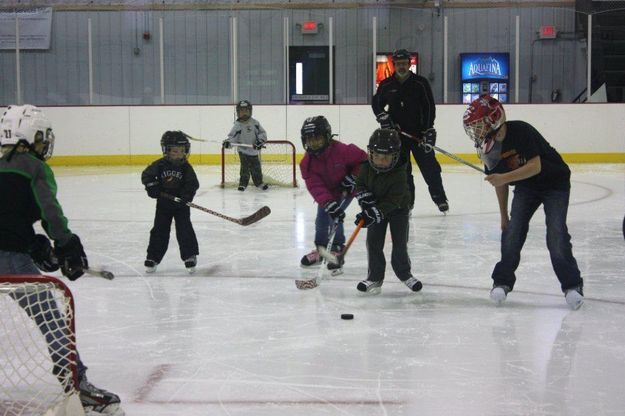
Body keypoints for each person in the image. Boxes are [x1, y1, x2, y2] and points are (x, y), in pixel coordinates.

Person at [0, 104, 124, 415]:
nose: (44, 144)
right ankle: (77, 384)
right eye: (41, 138)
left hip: (13, 250)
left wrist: (30, 242)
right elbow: (50, 212)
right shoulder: (32, 166)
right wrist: (65, 243)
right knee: (51, 319)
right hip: (10, 260)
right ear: (28, 137)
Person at [463, 96, 584, 310]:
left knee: (556, 234)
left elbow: (535, 166)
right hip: (526, 187)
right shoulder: (489, 148)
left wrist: (503, 178)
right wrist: (503, 215)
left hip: (555, 183)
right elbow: (498, 182)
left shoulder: (521, 131)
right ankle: (502, 282)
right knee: (512, 232)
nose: (477, 131)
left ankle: (572, 285)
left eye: (480, 125)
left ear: (494, 120)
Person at [372, 48, 449, 213]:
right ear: (394, 65)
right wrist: (383, 118)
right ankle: (408, 202)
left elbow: (429, 107)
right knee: (404, 172)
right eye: (398, 64)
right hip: (397, 137)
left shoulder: (420, 83)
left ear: (409, 64)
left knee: (431, 169)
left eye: (404, 63)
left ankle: (440, 199)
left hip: (419, 135)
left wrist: (428, 129)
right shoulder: (386, 85)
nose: (401, 66)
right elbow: (376, 103)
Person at [353, 128, 423, 294]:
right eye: (377, 156)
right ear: (370, 153)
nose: (380, 161)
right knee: (373, 242)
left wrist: (374, 213)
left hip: (398, 210)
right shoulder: (365, 168)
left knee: (400, 243)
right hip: (376, 207)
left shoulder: (400, 173)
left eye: (386, 157)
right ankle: (374, 277)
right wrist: (365, 201)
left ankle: (405, 274)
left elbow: (394, 200)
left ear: (395, 156)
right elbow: (360, 185)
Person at [299, 115, 367, 273]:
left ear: (327, 136)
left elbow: (364, 161)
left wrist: (353, 178)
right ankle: (321, 249)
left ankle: (337, 247)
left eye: (317, 138)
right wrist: (328, 203)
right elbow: (315, 186)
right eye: (309, 139)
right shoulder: (306, 163)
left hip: (347, 190)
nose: (313, 143)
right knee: (322, 218)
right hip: (328, 193)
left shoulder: (342, 150)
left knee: (335, 217)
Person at [142, 131, 200, 274]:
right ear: (166, 151)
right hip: (163, 204)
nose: (179, 154)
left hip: (181, 206)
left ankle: (189, 256)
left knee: (184, 229)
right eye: (175, 151)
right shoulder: (159, 165)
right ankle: (153, 257)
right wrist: (152, 187)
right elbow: (147, 175)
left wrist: (186, 196)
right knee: (159, 230)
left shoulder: (186, 167)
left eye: (182, 151)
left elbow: (193, 184)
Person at [223, 100, 269, 191]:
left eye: (246, 111)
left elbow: (262, 133)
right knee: (245, 168)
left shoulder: (255, 123)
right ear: (238, 112)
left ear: (250, 111)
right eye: (241, 111)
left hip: (254, 151)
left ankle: (259, 183)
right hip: (243, 151)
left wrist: (260, 141)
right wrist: (228, 143)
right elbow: (233, 137)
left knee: (256, 168)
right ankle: (243, 184)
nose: (244, 113)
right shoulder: (238, 125)